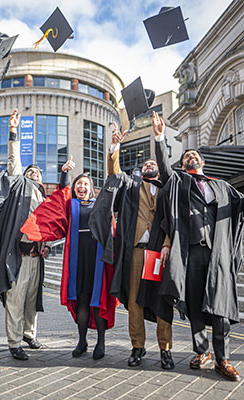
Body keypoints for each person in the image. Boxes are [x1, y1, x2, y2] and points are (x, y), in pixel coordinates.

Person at [153, 112, 244, 381]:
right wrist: (159, 138)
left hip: (218, 254)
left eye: (194, 156)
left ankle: (222, 358)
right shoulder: (179, 183)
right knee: (194, 305)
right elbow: (166, 172)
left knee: (220, 306)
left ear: (202, 162)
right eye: (186, 157)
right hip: (190, 252)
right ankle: (201, 350)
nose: (190, 158)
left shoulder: (223, 187)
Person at [89, 115, 174, 370]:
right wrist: (114, 148)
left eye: (152, 162)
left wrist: (159, 137)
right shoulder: (130, 185)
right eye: (145, 163)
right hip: (136, 253)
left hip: (160, 253)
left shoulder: (168, 187)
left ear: (158, 168)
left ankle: (165, 350)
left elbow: (173, 220)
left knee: (162, 302)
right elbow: (114, 172)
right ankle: (137, 347)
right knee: (135, 301)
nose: (149, 165)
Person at [21, 156, 119, 359]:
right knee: (82, 300)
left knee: (98, 300)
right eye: (78, 184)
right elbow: (60, 196)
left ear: (91, 189)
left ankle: (100, 342)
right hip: (77, 258)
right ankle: (82, 341)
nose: (81, 186)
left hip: (97, 259)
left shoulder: (99, 204)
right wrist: (65, 173)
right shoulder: (70, 205)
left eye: (85, 184)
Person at [0, 109, 50, 361]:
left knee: (31, 300)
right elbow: (14, 162)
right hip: (18, 254)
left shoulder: (45, 198)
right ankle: (14, 342)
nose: (34, 173)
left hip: (38, 257)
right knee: (15, 300)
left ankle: (29, 334)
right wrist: (13, 132)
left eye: (37, 173)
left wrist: (48, 244)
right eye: (30, 171)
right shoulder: (19, 186)